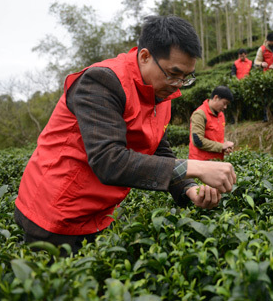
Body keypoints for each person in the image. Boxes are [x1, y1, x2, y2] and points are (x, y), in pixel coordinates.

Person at [14, 15, 237, 253]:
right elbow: (108, 160)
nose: (179, 84)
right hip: (55, 213)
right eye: (174, 74)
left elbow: (158, 148)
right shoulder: (101, 82)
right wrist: (198, 167)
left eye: (186, 77)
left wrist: (188, 188)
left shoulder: (161, 93)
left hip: (100, 213)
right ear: (145, 56)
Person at [189, 86, 235, 160]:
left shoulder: (221, 115)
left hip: (216, 160)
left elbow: (218, 136)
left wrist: (225, 146)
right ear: (216, 98)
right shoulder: (200, 114)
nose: (225, 107)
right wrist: (221, 146)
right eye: (224, 103)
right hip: (200, 162)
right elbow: (198, 141)